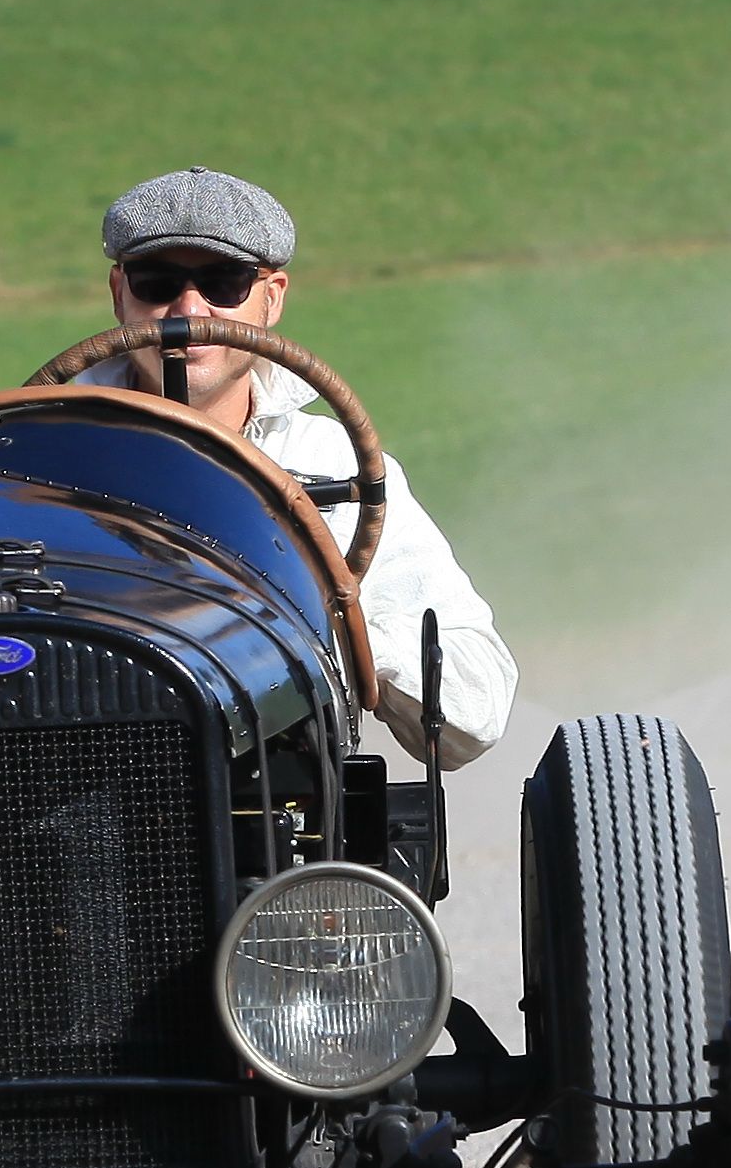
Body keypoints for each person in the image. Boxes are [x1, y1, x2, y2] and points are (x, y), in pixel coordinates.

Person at [80, 165, 517, 766]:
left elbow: (473, 712)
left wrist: (335, 632)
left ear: (272, 297)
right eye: (157, 282)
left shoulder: (331, 462)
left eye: (223, 283)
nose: (188, 309)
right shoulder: (30, 456)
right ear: (119, 293)